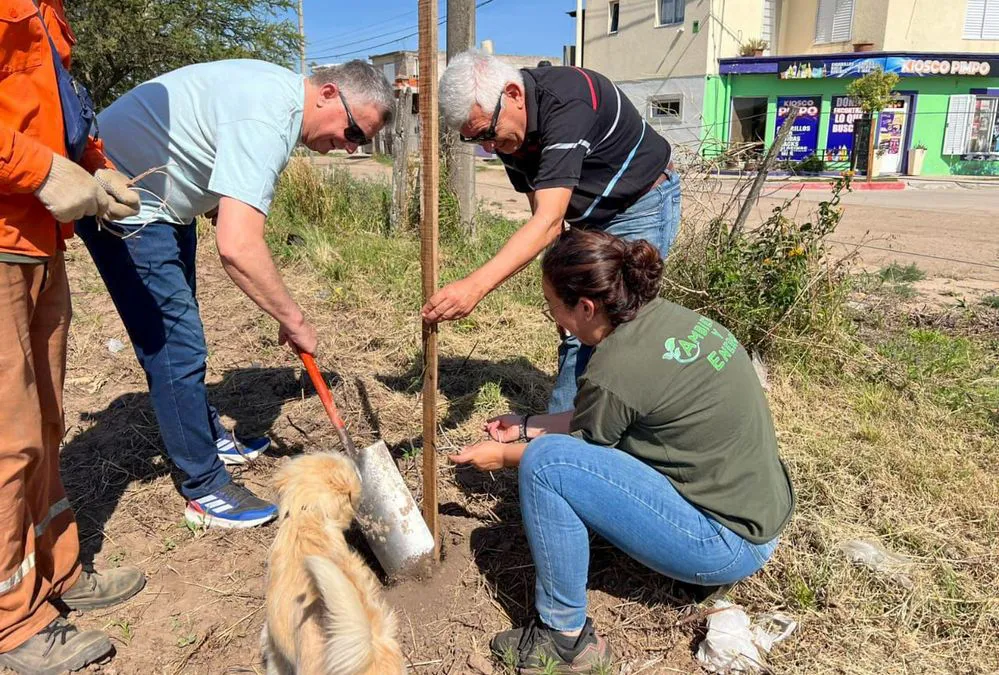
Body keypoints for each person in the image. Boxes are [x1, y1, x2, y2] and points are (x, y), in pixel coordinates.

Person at [450, 229, 794, 672]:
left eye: (553, 308)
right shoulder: (668, 320)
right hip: (761, 515)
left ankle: (564, 639)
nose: (555, 320)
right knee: (547, 453)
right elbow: (606, 417)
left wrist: (502, 457)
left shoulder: (613, 368)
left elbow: (568, 458)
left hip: (725, 543)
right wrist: (528, 425)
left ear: (586, 307)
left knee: (544, 466)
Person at [75, 59, 394, 529]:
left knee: (179, 331)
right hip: (125, 197)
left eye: (361, 142)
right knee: (175, 345)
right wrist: (294, 318)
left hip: (163, 199)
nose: (350, 149)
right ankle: (204, 487)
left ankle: (201, 432)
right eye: (353, 132)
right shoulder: (268, 115)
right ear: (328, 93)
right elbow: (239, 247)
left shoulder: (277, 101)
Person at [0, 2, 148, 672]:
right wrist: (38, 170)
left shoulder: (47, 11)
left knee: (46, 421)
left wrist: (94, 165)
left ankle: (54, 572)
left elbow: (55, 109)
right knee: (7, 437)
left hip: (37, 242)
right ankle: (10, 621)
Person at [422, 50, 681, 414]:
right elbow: (546, 218)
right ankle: (579, 429)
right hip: (586, 218)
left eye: (486, 133)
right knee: (578, 322)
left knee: (614, 326)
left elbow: (546, 222)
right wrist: (561, 288)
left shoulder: (568, 101)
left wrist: (474, 287)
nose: (487, 147)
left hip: (638, 204)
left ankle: (571, 443)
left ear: (513, 94)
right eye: (474, 140)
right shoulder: (509, 130)